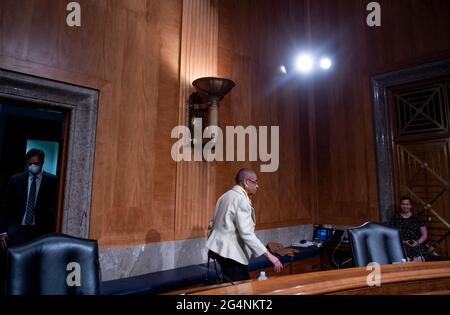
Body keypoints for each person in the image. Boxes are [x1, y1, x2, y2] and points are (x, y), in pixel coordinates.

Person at [206, 168, 283, 282]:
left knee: (231, 287)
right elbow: (247, 234)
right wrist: (270, 256)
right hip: (231, 254)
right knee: (243, 288)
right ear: (246, 182)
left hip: (220, 252)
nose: (257, 186)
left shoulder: (224, 196)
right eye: (255, 182)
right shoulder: (241, 200)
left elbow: (212, 224)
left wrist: (213, 248)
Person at [0, 148, 58, 248]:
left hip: (40, 232)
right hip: (17, 231)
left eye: (36, 163)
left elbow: (55, 208)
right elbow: (6, 207)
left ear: (42, 162)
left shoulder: (53, 181)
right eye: (30, 164)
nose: (33, 167)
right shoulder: (16, 180)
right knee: (14, 261)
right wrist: (3, 231)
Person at [389, 196, 428, 261]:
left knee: (418, 259)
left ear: (411, 206)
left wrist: (417, 242)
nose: (405, 206)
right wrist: (403, 242)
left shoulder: (417, 218)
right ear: (400, 205)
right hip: (402, 245)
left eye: (407, 204)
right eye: (403, 204)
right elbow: (392, 236)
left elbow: (424, 235)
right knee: (406, 260)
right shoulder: (395, 218)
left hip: (417, 245)